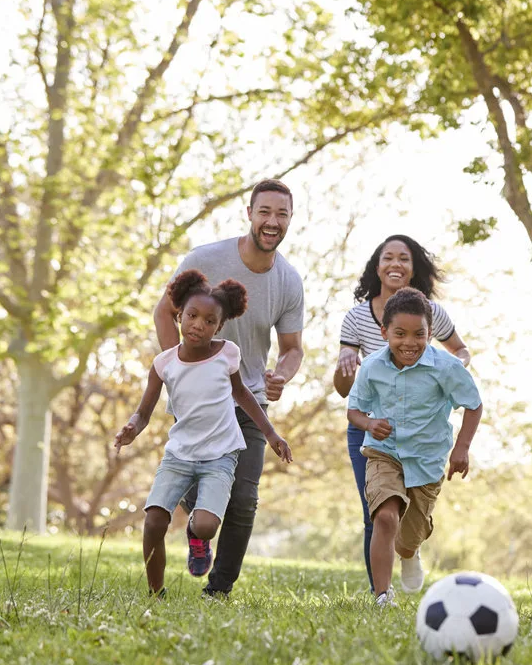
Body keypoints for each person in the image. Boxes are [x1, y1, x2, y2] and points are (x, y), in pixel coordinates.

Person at [153, 178, 305, 597]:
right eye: (265, 212)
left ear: (290, 220)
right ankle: (197, 528)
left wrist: (282, 375)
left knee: (243, 499)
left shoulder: (288, 281)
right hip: (197, 400)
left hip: (248, 397)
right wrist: (179, 370)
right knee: (188, 484)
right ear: (250, 214)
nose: (273, 222)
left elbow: (293, 348)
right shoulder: (206, 259)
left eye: (282, 214)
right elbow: (164, 313)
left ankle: (218, 590)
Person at [116, 270, 292, 596]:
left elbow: (242, 394)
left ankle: (197, 538)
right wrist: (132, 429)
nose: (199, 324)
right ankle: (156, 593)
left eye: (210, 321)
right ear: (179, 315)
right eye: (192, 316)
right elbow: (144, 411)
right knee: (154, 521)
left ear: (220, 326)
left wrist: (271, 434)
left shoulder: (227, 354)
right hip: (179, 455)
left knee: (207, 525)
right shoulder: (164, 364)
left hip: (220, 457)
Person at [334, 235, 471, 590]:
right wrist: (345, 364)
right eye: (388, 257)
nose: (395, 264)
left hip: (425, 437)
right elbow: (346, 391)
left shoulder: (432, 314)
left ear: (414, 267)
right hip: (375, 431)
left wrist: (451, 372)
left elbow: (460, 352)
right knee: (380, 512)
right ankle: (380, 591)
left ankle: (408, 552)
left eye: (404, 258)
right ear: (376, 266)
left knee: (409, 523)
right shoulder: (356, 318)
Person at [346, 287, 483, 606]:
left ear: (431, 333)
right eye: (400, 333)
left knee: (407, 540)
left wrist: (461, 448)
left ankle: (411, 553)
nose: (409, 342)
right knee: (384, 517)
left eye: (419, 334)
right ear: (384, 332)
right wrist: (369, 424)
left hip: (428, 458)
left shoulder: (446, 367)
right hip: (385, 452)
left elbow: (473, 404)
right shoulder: (372, 367)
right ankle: (382, 595)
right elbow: (354, 410)